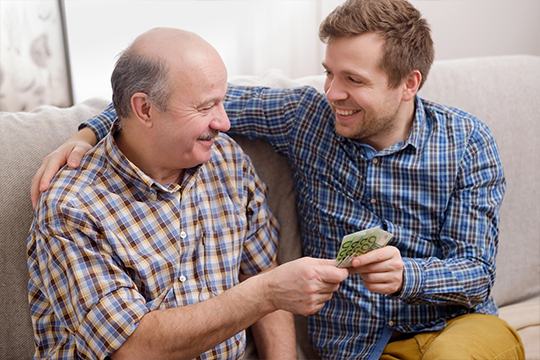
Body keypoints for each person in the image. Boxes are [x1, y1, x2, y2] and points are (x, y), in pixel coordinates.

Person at [31, 0, 526, 359]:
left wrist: (408, 276)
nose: (331, 92)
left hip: (454, 326)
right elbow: (168, 104)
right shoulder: (305, 117)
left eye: (353, 80)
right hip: (358, 348)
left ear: (409, 84)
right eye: (328, 73)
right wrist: (91, 131)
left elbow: (477, 270)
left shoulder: (466, 142)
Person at [27, 27, 350, 360]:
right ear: (145, 110)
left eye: (222, 102)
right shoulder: (71, 205)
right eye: (205, 107)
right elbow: (131, 347)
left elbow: (262, 269)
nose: (223, 122)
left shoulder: (226, 160)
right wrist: (265, 295)